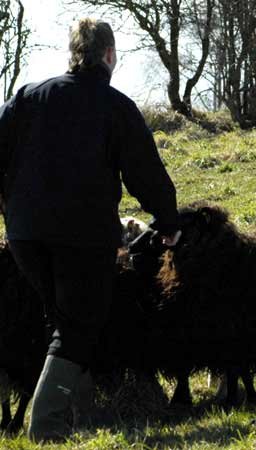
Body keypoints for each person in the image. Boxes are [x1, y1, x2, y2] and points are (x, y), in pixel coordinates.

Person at [0, 18, 180, 442]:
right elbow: (144, 172)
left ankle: (79, 412)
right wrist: (168, 220)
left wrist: (10, 208)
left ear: (73, 53)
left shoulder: (27, 96)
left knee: (61, 318)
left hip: (25, 236)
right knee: (79, 325)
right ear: (109, 55)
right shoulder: (114, 106)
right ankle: (46, 425)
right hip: (81, 235)